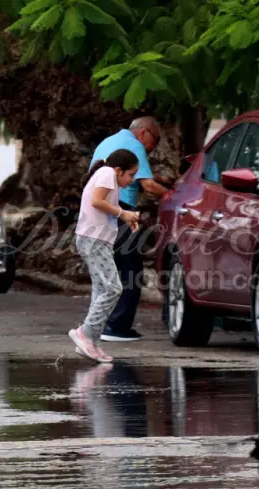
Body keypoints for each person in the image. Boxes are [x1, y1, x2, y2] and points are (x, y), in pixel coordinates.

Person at [88, 117, 169, 342]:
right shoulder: (134, 145)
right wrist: (174, 195)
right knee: (130, 269)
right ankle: (116, 326)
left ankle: (101, 324)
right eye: (157, 139)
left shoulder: (109, 141)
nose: (154, 146)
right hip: (119, 210)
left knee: (108, 269)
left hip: (98, 212)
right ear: (144, 132)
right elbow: (149, 185)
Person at [70, 149, 140, 362]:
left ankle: (91, 341)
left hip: (97, 240)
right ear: (119, 170)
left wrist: (126, 217)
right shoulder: (107, 172)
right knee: (113, 288)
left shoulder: (109, 176)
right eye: (131, 174)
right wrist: (123, 213)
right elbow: (97, 201)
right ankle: (85, 333)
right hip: (93, 240)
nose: (133, 180)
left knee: (102, 290)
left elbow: (104, 203)